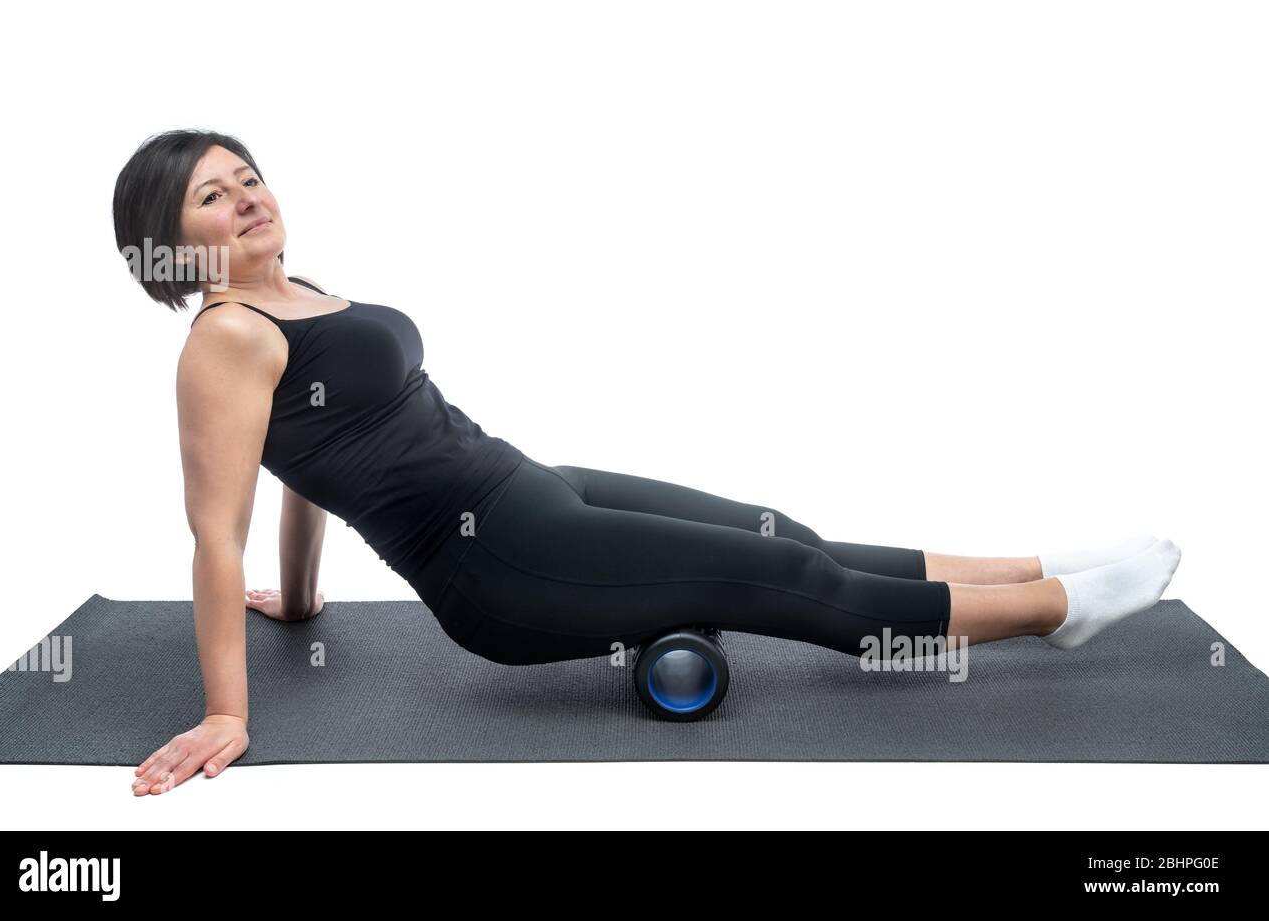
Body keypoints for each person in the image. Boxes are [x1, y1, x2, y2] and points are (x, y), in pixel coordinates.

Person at [112, 130, 1181, 795]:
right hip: (503, 572)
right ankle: (1056, 609)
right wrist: (228, 714)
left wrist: (301, 604)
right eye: (212, 195)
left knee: (779, 531)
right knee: (794, 585)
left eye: (247, 175)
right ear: (165, 241)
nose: (247, 195)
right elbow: (219, 527)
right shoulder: (226, 339)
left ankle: (1034, 563)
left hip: (528, 488)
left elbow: (308, 465)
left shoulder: (296, 296)